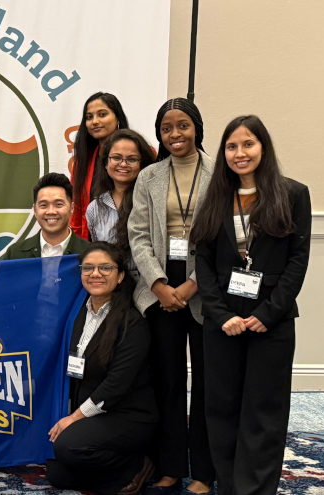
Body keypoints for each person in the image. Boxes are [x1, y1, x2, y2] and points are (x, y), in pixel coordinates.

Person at [190, 116, 311, 495]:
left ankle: (255, 488)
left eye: (248, 144)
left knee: (264, 410)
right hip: (222, 323)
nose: (239, 153)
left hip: (270, 322)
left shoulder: (293, 194)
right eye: (231, 146)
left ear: (263, 148)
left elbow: (297, 262)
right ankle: (229, 485)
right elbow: (203, 263)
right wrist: (221, 314)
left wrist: (266, 314)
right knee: (222, 407)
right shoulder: (215, 197)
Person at [128, 98, 216, 494]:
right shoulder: (149, 176)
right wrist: (159, 285)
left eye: (183, 125)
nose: (175, 134)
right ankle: (170, 466)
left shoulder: (218, 172)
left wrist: (194, 283)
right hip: (160, 288)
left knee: (207, 382)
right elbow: (138, 235)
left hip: (205, 287)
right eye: (166, 128)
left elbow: (222, 237)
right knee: (167, 380)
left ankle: (204, 471)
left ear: (196, 128)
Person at [47, 242, 158, 495]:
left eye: (105, 268)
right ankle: (113, 476)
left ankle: (138, 465)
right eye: (88, 268)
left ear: (120, 276)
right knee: (57, 473)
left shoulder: (133, 322)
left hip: (127, 414)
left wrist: (74, 418)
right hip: (93, 414)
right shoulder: (76, 314)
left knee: (67, 447)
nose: (95, 274)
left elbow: (116, 385)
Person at [86, 129, 157, 274]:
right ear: (106, 163)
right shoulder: (94, 208)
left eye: (132, 159)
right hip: (110, 282)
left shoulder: (153, 201)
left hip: (148, 283)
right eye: (116, 158)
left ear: (142, 164)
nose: (123, 164)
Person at [69, 92, 130, 240]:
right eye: (89, 117)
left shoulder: (140, 153)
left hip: (132, 242)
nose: (95, 121)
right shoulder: (82, 163)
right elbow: (76, 214)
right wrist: (79, 248)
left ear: (118, 118)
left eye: (102, 114)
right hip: (92, 246)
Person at [1, 172, 89, 259]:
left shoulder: (90, 253)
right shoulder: (15, 254)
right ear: (35, 210)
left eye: (58, 204)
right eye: (43, 205)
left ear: (72, 208)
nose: (51, 211)